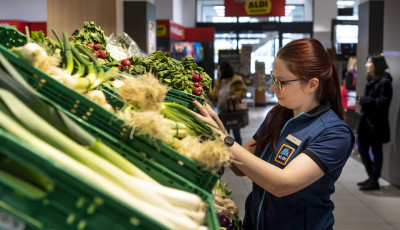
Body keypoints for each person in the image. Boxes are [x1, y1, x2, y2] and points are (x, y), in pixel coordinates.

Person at [193, 38, 355, 230]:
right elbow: (240, 168)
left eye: (282, 82)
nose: (272, 88)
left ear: (312, 84)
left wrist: (224, 140)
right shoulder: (277, 115)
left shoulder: (334, 133)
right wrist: (218, 128)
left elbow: (282, 184)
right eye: (273, 78)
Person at [356, 54, 393, 191]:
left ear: (376, 64)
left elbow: (384, 103)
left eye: (369, 62)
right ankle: (372, 177)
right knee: (362, 149)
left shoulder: (385, 82)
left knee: (377, 152)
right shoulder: (370, 79)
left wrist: (364, 100)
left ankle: (373, 180)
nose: (366, 65)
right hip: (366, 122)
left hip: (378, 124)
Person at [207, 61, 247, 145]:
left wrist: (235, 96)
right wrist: (206, 92)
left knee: (236, 133)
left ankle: (239, 151)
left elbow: (243, 91)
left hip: (234, 111)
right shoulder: (219, 81)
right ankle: (228, 151)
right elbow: (214, 96)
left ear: (224, 70)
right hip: (223, 112)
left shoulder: (236, 79)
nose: (218, 72)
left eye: (219, 70)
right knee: (224, 133)